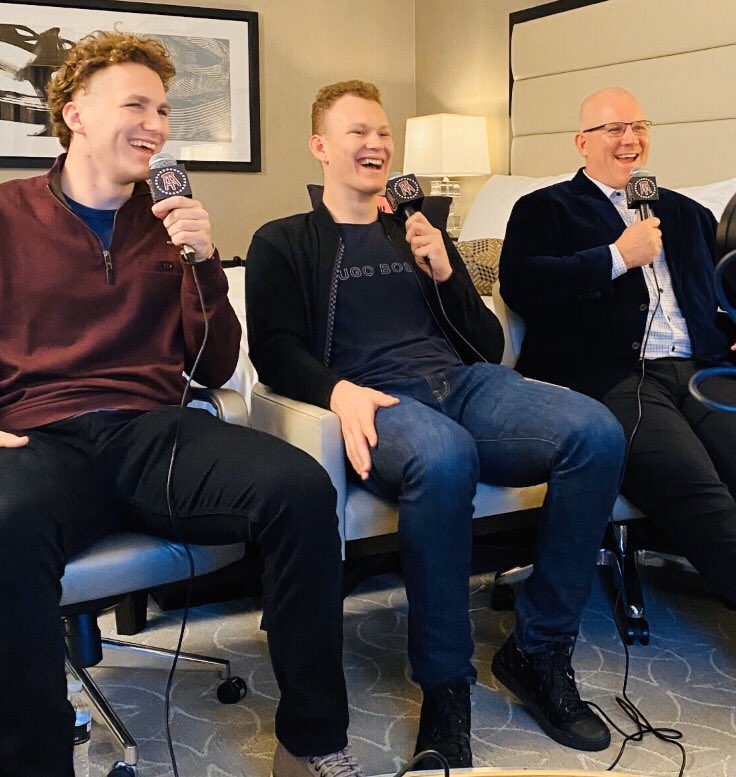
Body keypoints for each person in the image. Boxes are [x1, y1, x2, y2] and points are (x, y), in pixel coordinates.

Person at [0, 32, 359, 777]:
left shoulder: (170, 223)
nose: (156, 125)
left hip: (153, 431)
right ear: (76, 114)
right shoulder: (7, 214)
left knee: (300, 487)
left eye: (163, 110)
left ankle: (313, 742)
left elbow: (216, 365)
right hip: (41, 437)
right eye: (136, 105)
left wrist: (204, 262)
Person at [246, 80, 627, 764]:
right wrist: (338, 391)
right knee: (445, 456)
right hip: (377, 400)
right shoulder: (284, 240)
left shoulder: (416, 231)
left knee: (596, 432)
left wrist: (447, 270)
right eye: (358, 132)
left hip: (464, 384)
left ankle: (539, 651)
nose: (375, 144)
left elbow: (486, 345)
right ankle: (446, 686)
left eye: (383, 132)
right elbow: (272, 349)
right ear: (320, 146)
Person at [499, 86, 736, 607]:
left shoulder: (687, 213)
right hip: (610, 376)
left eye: (638, 127)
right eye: (614, 129)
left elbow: (716, 294)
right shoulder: (546, 208)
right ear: (582, 142)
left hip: (699, 369)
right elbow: (522, 286)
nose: (629, 139)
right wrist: (616, 257)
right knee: (695, 486)